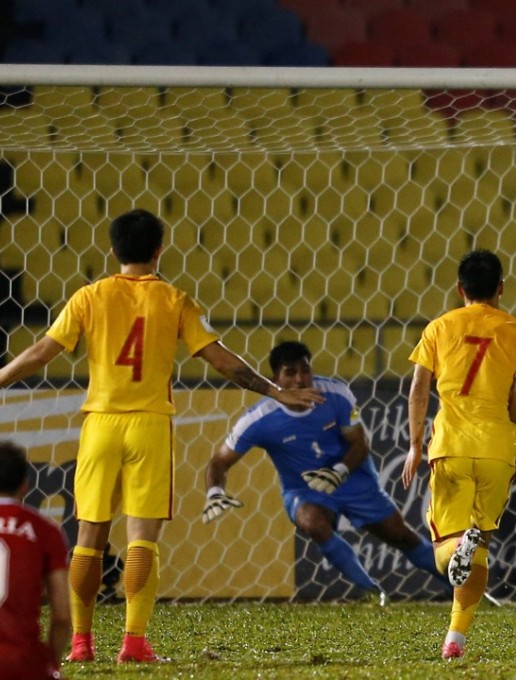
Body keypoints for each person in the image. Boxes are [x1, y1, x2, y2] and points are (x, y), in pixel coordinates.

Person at [0, 209, 324, 664]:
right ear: (159, 250)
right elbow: (221, 358)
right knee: (141, 541)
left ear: (113, 251)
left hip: (100, 425)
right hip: (149, 425)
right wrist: (274, 391)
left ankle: (80, 643)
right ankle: (132, 642)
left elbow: (41, 351)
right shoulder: (175, 300)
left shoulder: (89, 296)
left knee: (88, 537)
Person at [204, 340, 450, 603]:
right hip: (305, 490)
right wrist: (215, 491)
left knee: (401, 536)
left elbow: (359, 444)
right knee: (312, 521)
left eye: (305, 370)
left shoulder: (336, 395)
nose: (300, 379)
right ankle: (371, 593)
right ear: (274, 378)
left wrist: (340, 471)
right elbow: (218, 462)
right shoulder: (258, 419)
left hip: (353, 480)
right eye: (290, 373)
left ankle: (461, 590)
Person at [401, 249, 516, 660]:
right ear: (501, 287)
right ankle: (455, 640)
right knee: (480, 548)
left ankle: (458, 545)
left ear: (460, 289)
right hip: (497, 449)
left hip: (451, 447)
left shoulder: (439, 328)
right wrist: (510, 427)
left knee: (449, 551)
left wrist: (413, 445)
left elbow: (418, 389)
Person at [0, 440, 70, 679]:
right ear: (24, 485)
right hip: (23, 663)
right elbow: (62, 617)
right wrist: (52, 665)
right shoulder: (45, 530)